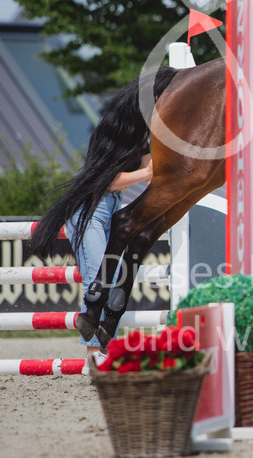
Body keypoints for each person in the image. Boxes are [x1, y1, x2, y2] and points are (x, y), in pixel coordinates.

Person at [65, 154, 152, 359]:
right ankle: (93, 354)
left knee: (113, 280)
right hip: (89, 208)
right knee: (98, 278)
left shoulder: (142, 143)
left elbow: (151, 176)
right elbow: (109, 180)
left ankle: (104, 351)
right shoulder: (117, 137)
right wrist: (147, 172)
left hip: (114, 209)